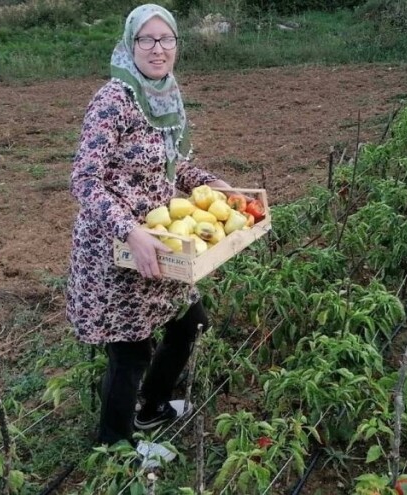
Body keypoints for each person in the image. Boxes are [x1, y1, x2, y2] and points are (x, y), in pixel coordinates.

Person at [65, 4, 233, 447]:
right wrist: (130, 231)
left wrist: (212, 183)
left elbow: (172, 167)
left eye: (167, 39)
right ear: (130, 44)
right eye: (147, 40)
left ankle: (152, 409)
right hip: (118, 247)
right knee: (129, 350)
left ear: (177, 44)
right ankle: (113, 447)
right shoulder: (113, 100)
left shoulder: (164, 95)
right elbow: (84, 180)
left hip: (161, 238)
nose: (158, 49)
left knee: (188, 322)